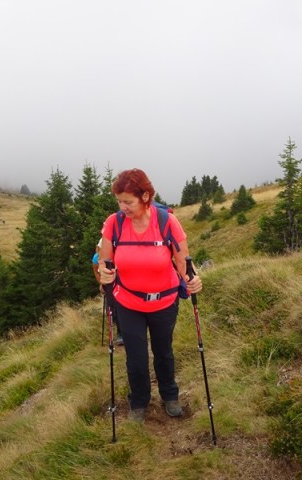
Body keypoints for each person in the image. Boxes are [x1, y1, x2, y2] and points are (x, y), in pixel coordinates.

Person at [98, 168, 202, 423]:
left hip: (164, 301)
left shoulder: (167, 221)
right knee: (136, 356)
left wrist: (193, 279)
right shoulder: (115, 223)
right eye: (119, 201)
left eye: (128, 202)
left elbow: (182, 261)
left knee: (163, 350)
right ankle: (139, 402)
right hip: (128, 301)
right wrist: (105, 273)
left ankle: (170, 396)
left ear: (145, 196)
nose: (123, 207)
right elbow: (105, 260)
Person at [92, 238, 123, 345]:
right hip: (107, 285)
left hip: (118, 284)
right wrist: (101, 282)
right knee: (109, 310)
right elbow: (96, 271)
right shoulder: (96, 258)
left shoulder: (115, 255)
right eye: (100, 248)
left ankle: (121, 333)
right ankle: (119, 329)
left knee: (118, 308)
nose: (101, 250)